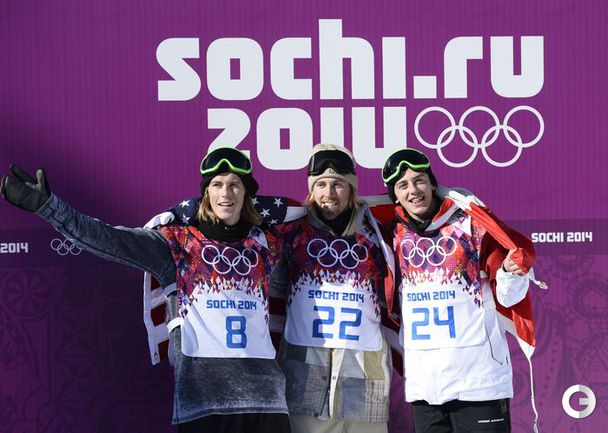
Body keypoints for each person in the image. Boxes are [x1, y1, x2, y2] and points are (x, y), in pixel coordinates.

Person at [0, 147, 291, 433]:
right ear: (206, 193)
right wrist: (48, 207)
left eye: (234, 184)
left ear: (246, 193)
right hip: (205, 404)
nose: (226, 193)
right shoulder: (175, 245)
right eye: (217, 185)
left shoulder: (268, 245)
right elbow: (106, 238)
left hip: (268, 404)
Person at [381, 148, 535, 433]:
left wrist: (510, 272)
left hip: (479, 383)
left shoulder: (471, 226)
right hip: (426, 388)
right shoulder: (391, 236)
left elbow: (509, 296)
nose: (413, 190)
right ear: (395, 196)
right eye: (402, 185)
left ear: (432, 184)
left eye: (419, 180)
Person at [272, 144, 392, 433]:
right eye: (321, 184)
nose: (329, 193)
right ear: (311, 190)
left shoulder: (376, 236)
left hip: (365, 379)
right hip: (305, 381)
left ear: (351, 188)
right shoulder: (290, 234)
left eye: (338, 184)